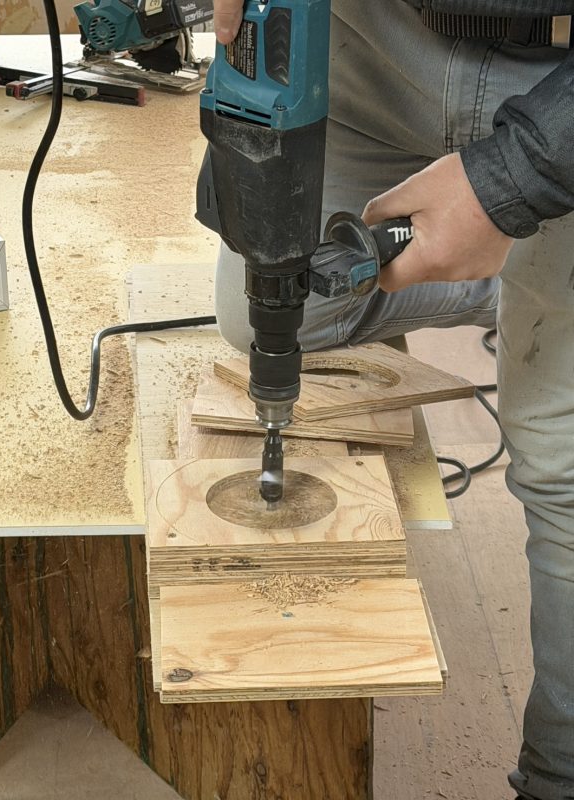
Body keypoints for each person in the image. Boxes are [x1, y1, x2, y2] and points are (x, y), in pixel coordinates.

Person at [209, 2, 574, 798]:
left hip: (559, 75)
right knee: (262, 307)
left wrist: (514, 179)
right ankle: (516, 277)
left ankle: (557, 778)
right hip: (369, 39)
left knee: (562, 465)